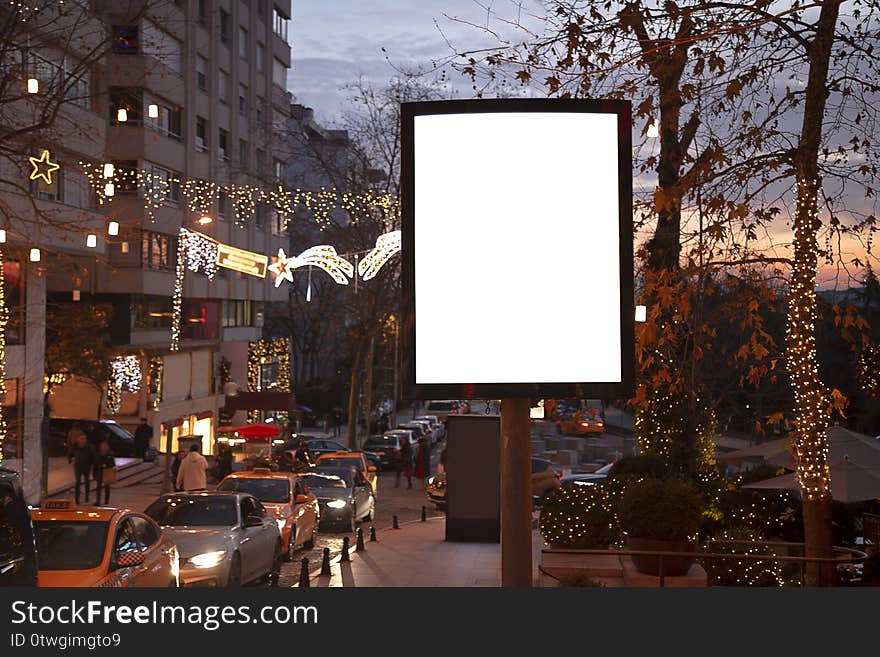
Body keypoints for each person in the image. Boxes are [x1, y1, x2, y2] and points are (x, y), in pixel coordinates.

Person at [66, 425, 95, 505]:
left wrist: (92, 464)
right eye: (81, 439)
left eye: (84, 439)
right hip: (78, 466)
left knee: (86, 482)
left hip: (87, 466)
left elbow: (93, 456)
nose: (82, 441)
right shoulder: (75, 446)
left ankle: (87, 497)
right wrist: (71, 460)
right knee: (78, 482)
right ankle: (77, 498)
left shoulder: (89, 447)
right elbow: (70, 454)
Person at [93, 440, 115, 505]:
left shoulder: (110, 454)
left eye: (105, 446)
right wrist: (95, 472)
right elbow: (95, 464)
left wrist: (107, 465)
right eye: (102, 446)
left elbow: (113, 464)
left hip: (107, 471)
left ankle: (106, 500)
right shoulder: (98, 454)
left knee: (107, 487)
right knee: (98, 487)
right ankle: (98, 501)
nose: (103, 447)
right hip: (99, 471)